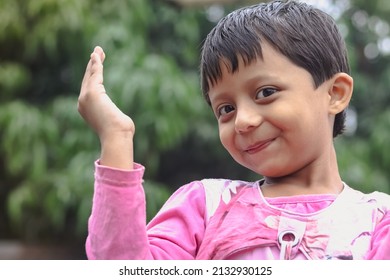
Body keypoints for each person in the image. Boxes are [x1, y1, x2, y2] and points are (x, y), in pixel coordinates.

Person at [78, 0, 390, 260]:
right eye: (225, 109)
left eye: (265, 93)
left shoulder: (378, 220)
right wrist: (116, 137)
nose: (242, 121)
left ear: (334, 93)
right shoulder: (203, 207)